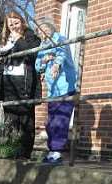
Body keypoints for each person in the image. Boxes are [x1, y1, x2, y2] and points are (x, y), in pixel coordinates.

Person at [0, 11, 41, 160]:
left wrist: (19, 40)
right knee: (10, 119)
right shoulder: (7, 40)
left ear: (22, 22)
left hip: (24, 84)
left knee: (26, 120)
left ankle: (24, 154)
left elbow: (33, 55)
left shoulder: (32, 39)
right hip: (8, 83)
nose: (14, 27)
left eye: (16, 23)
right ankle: (9, 151)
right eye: (10, 25)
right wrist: (2, 49)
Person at [35, 17, 76, 165]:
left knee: (60, 120)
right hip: (52, 91)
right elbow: (37, 67)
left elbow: (61, 53)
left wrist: (56, 65)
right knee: (50, 122)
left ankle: (57, 153)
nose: (43, 32)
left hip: (66, 87)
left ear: (51, 28)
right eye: (40, 30)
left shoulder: (60, 39)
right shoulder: (42, 45)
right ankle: (52, 152)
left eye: (45, 28)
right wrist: (44, 61)